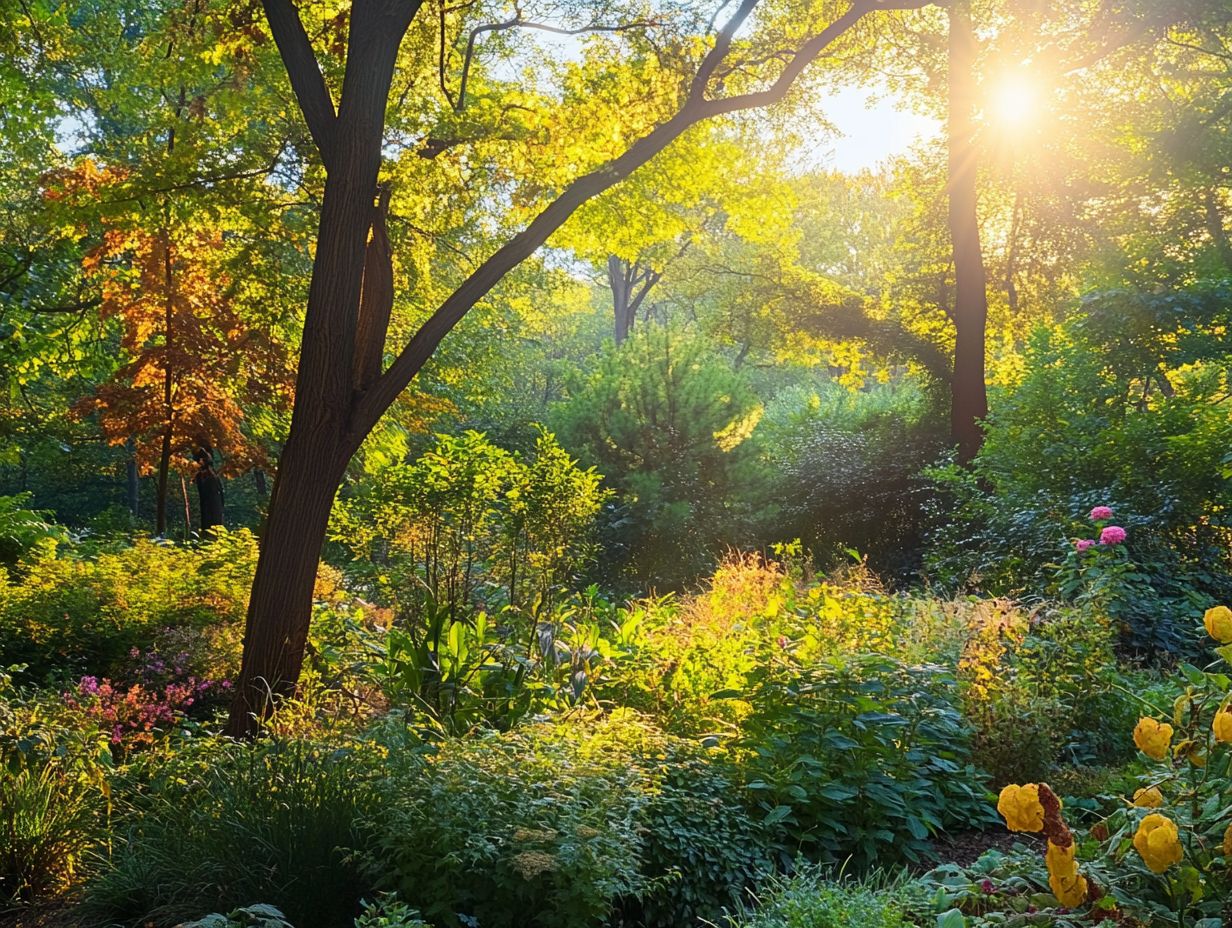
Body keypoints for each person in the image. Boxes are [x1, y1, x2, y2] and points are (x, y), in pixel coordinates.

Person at [193, 445, 225, 533]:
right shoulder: (201, 476)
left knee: (213, 525)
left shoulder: (211, 476)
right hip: (207, 507)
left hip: (213, 508)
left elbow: (218, 495)